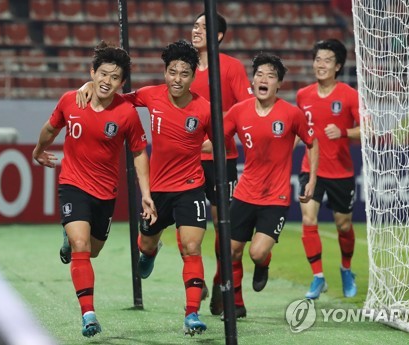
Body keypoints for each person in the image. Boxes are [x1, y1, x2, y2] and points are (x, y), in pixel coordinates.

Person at [76, 40, 212, 336]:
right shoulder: (151, 95)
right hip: (157, 191)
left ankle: (191, 314)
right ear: (165, 73)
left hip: (191, 187)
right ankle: (149, 252)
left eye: (184, 73)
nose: (178, 78)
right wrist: (89, 83)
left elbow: (223, 140)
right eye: (172, 72)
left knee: (191, 247)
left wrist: (203, 145)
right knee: (147, 244)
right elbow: (115, 95)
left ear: (193, 77)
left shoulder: (204, 108)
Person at [32, 41, 157, 338]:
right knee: (81, 246)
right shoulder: (70, 101)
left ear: (122, 83)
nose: (107, 82)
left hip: (105, 192)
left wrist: (147, 194)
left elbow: (139, 152)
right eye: (102, 74)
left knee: (94, 250)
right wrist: (39, 151)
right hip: (73, 183)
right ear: (92, 72)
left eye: (115, 78)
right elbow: (51, 128)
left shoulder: (126, 113)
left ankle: (71, 238)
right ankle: (88, 314)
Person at [203, 53, 319, 319]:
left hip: (275, 197)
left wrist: (311, 179)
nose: (263, 79)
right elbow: (217, 140)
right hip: (245, 192)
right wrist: (188, 146)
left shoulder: (291, 113)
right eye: (259, 74)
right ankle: (237, 304)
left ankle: (263, 263)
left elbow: (312, 142)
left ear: (279, 85)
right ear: (252, 81)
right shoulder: (239, 111)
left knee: (256, 253)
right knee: (230, 249)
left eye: (271, 76)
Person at [186, 11, 254, 315]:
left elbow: (246, 109)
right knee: (187, 225)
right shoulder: (182, 68)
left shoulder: (231, 68)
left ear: (218, 36)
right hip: (185, 161)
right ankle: (196, 281)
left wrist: (218, 135)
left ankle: (220, 284)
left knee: (221, 227)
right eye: (195, 25)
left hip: (220, 159)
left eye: (203, 27)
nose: (196, 30)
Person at [296, 39, 360, 299]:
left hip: (341, 171)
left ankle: (346, 269)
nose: (320, 65)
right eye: (318, 59)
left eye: (327, 61)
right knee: (308, 219)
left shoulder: (348, 94)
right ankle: (318, 277)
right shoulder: (303, 95)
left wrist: (344, 131)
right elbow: (298, 130)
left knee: (343, 226)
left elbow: (369, 128)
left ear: (338, 66)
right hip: (310, 169)